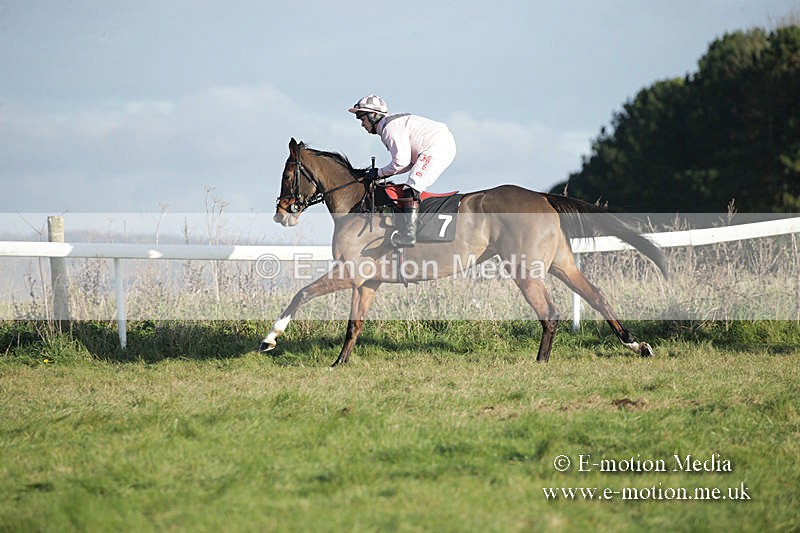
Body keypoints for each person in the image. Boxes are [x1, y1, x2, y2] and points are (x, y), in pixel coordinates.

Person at [348, 95, 457, 247]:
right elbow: (407, 163)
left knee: (411, 188)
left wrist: (379, 173)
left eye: (362, 118)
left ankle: (408, 235)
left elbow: (401, 162)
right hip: (437, 145)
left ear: (373, 115)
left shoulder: (389, 129)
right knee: (410, 186)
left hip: (436, 147)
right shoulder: (389, 126)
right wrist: (381, 173)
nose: (362, 124)